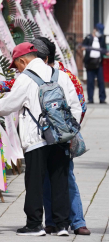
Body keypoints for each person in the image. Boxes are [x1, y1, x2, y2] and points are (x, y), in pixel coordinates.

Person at [0, 42, 82, 236]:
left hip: (36, 139)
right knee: (59, 180)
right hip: (61, 138)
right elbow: (75, 106)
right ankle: (61, 226)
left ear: (23, 61)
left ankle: (34, 225)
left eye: (16, 65)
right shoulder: (61, 75)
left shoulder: (25, 79)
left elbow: (7, 106)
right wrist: (67, 130)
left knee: (34, 182)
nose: (16, 70)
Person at [32, 37, 91, 236]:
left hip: (63, 136)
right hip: (43, 137)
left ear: (45, 57)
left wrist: (68, 131)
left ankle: (77, 221)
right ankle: (52, 221)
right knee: (48, 179)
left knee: (67, 178)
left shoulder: (65, 76)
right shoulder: (32, 74)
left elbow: (80, 105)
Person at [82, 23, 107, 104]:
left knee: (100, 81)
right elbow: (83, 46)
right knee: (90, 82)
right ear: (95, 29)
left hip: (98, 62)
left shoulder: (102, 39)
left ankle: (102, 98)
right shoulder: (88, 38)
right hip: (90, 63)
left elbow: (104, 49)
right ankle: (90, 99)